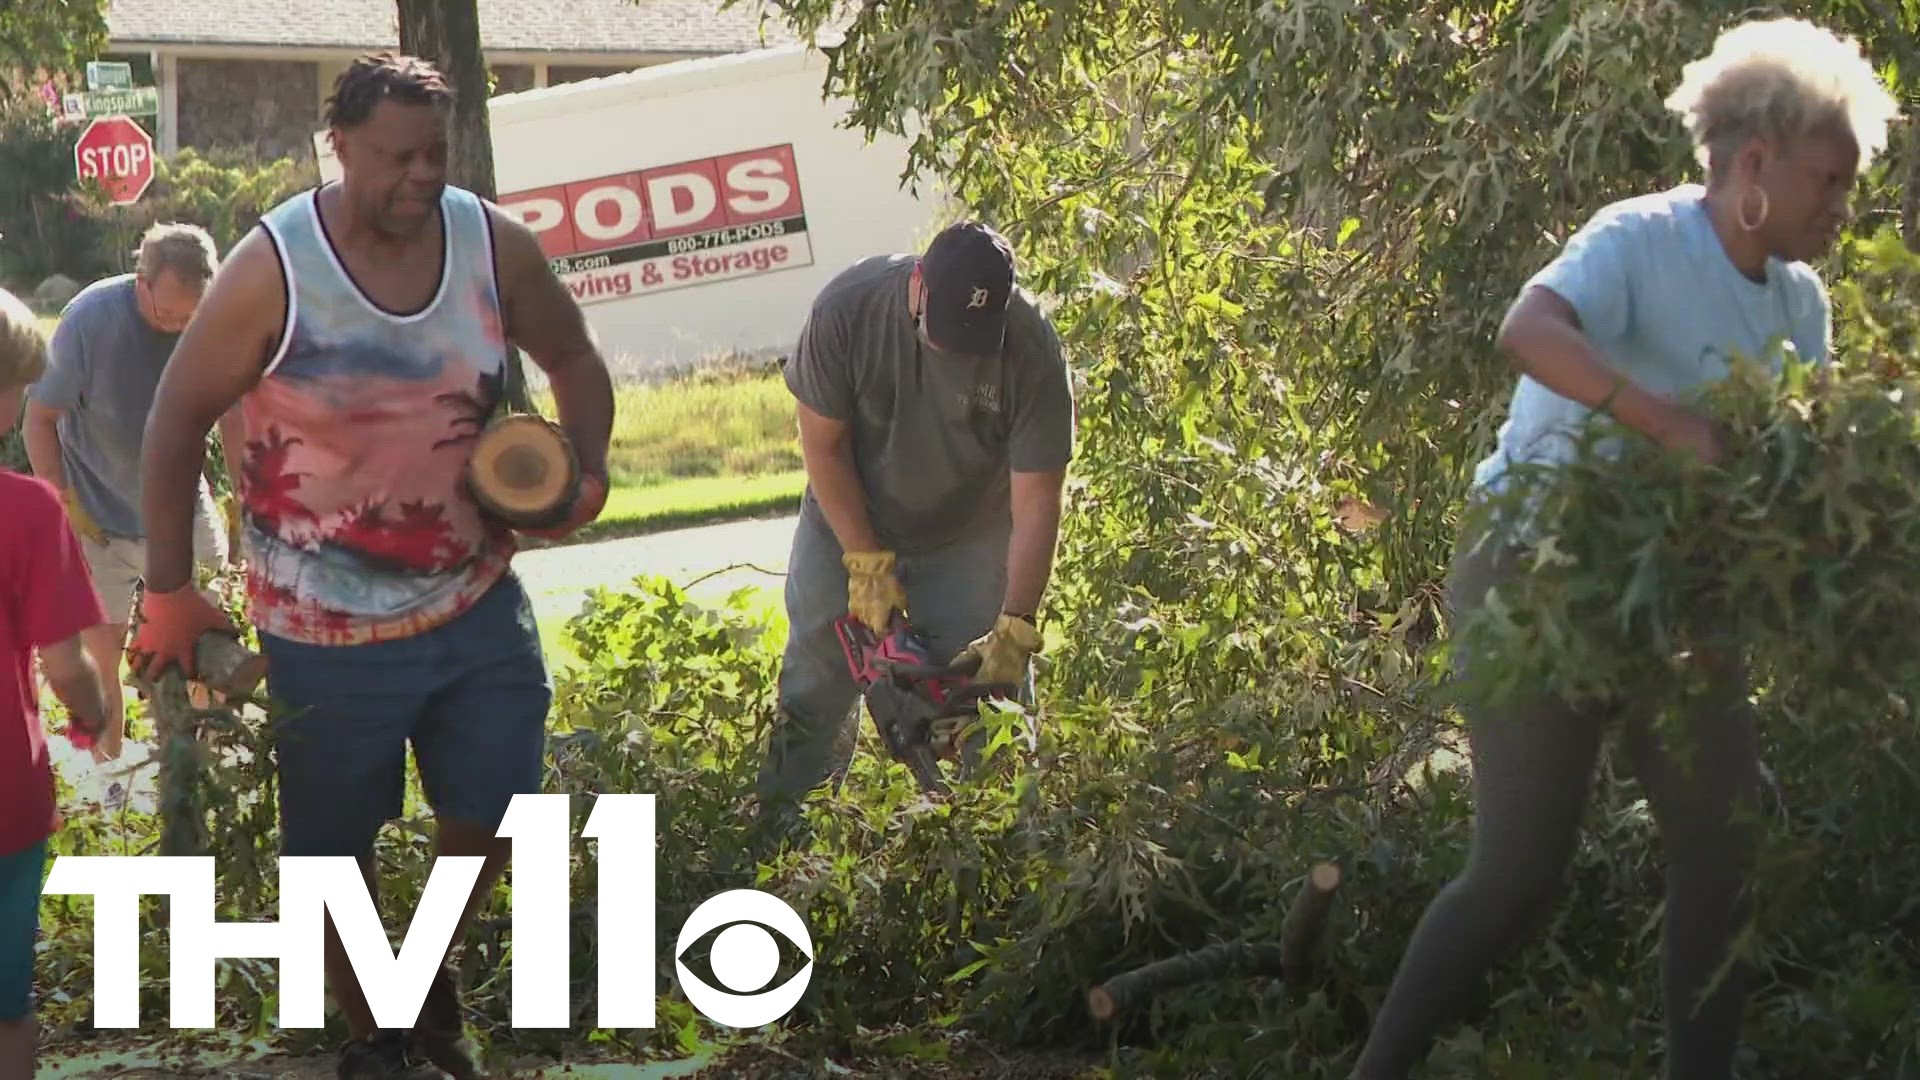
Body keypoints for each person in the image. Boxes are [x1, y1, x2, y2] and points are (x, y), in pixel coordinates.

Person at [1350, 19, 1899, 1080]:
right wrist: (1672, 424)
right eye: (1828, 182)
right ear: (1754, 164)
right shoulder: (1637, 241)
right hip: (1535, 573)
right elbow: (1529, 328)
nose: (1841, 207)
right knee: (1519, 869)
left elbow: (1781, 470)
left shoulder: (1801, 305)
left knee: (1729, 843)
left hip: (1680, 598)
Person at [128, 53, 614, 1080]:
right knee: (330, 852)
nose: (420, 175)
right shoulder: (276, 267)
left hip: (474, 599)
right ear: (339, 145)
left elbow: (573, 356)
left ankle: (416, 980)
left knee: (505, 807)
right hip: (321, 626)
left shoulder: (492, 243)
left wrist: (589, 466)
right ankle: (383, 1041)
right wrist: (168, 590)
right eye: (396, 156)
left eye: (434, 153)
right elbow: (175, 421)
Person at [753, 220, 1077, 832]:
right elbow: (824, 446)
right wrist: (867, 566)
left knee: (994, 708)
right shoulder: (849, 310)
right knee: (814, 688)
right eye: (946, 333)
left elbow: (1038, 502)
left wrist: (1014, 626)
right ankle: (785, 837)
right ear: (919, 285)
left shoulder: (1032, 349)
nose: (958, 351)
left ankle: (1011, 852)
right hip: (846, 523)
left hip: (970, 538)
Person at [22, 223, 243, 759]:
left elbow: (235, 413)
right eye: (168, 314)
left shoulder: (213, 322)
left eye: (188, 316)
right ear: (140, 281)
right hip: (97, 514)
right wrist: (64, 504)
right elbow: (39, 419)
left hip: (183, 508)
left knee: (209, 644)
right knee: (102, 656)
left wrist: (242, 498)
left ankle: (205, 767)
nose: (178, 325)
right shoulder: (88, 321)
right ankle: (107, 779)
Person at [0, 285, 114, 1079]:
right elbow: (67, 662)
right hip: (5, 797)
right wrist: (95, 712)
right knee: (8, 1004)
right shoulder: (30, 512)